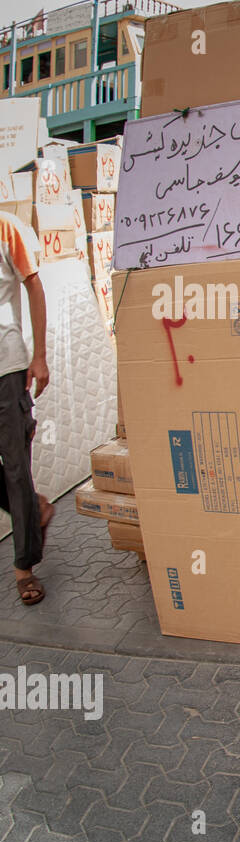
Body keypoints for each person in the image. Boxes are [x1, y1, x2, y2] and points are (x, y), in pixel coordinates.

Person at [0, 211, 52, 606]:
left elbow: (34, 286)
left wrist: (39, 356)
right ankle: (33, 511)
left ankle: (24, 568)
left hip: (7, 367)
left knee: (17, 469)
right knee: (17, 484)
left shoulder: (6, 227)